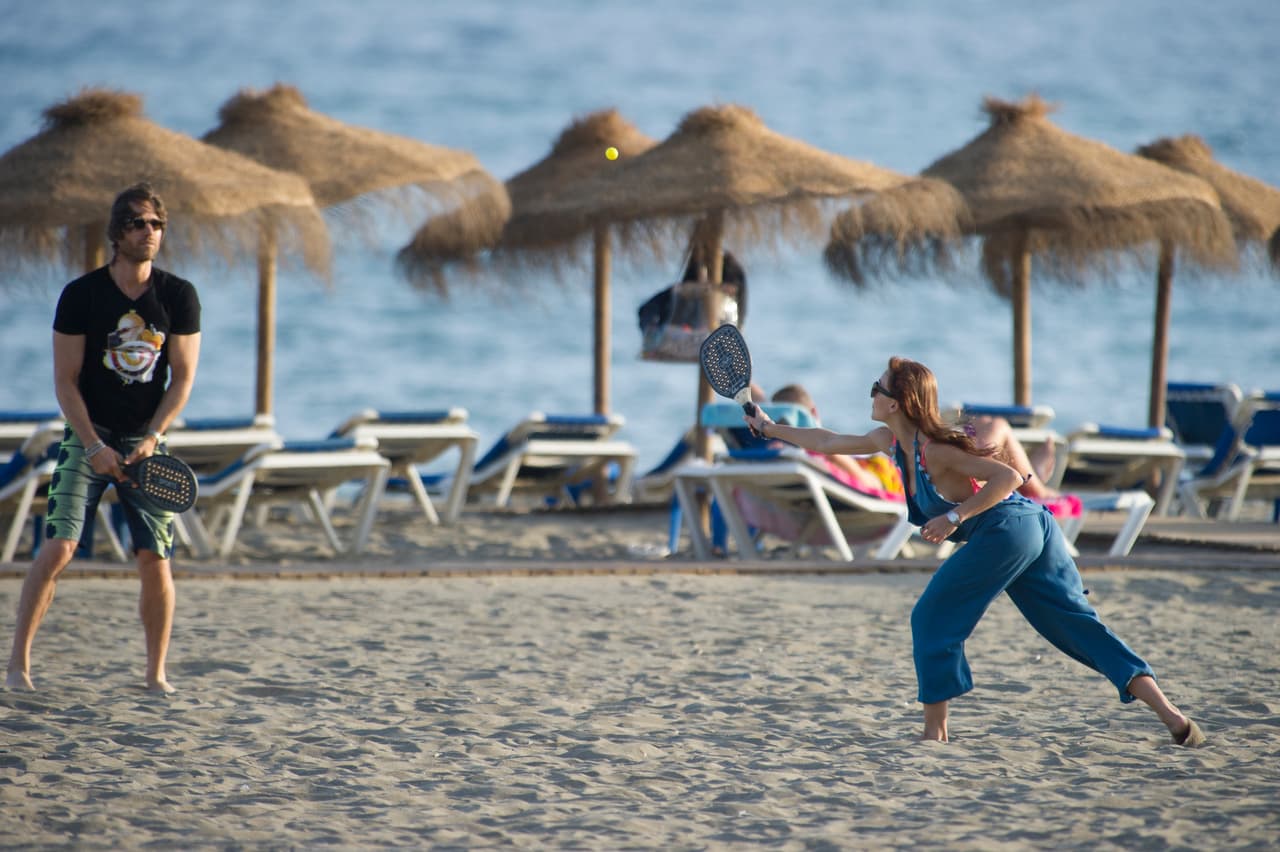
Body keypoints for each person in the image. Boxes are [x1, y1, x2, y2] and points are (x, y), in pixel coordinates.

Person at [744, 356, 1205, 746]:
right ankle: (1175, 720)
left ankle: (934, 735)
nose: (870, 394)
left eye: (876, 388)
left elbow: (1009, 479)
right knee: (1076, 627)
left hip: (1010, 527)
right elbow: (826, 441)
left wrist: (954, 517)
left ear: (897, 402)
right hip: (1030, 529)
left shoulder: (935, 451)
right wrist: (769, 429)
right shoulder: (892, 443)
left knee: (931, 616)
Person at [6, 183, 201, 694]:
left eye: (157, 223)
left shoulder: (178, 295)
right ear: (117, 233)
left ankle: (156, 675)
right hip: (88, 436)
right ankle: (18, 667)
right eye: (139, 223)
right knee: (59, 548)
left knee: (154, 557)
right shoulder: (81, 295)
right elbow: (65, 381)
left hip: (147, 443)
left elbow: (182, 378)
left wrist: (154, 436)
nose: (150, 231)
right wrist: (92, 445)